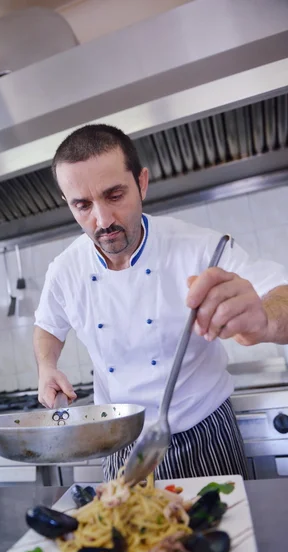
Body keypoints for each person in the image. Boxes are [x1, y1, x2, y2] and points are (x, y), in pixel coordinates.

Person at [33, 124, 288, 481]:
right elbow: (48, 325)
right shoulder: (64, 270)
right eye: (83, 205)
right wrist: (47, 366)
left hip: (204, 435)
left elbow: (281, 294)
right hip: (118, 441)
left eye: (115, 195)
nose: (103, 220)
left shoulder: (200, 248)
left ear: (142, 183)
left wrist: (263, 317)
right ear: (68, 204)